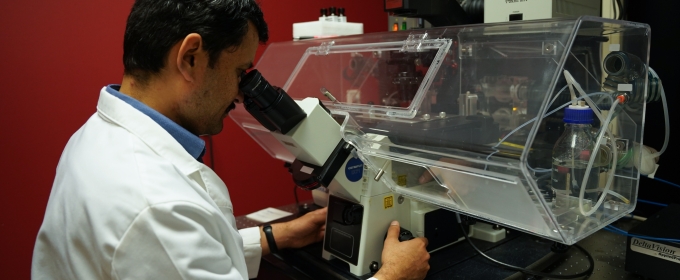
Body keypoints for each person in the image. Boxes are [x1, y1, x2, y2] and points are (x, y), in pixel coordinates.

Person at [31, 0, 430, 279]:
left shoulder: (96, 135)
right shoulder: (156, 205)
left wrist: (272, 237)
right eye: (240, 71)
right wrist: (393, 276)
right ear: (190, 57)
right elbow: (167, 245)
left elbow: (178, 260)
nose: (242, 93)